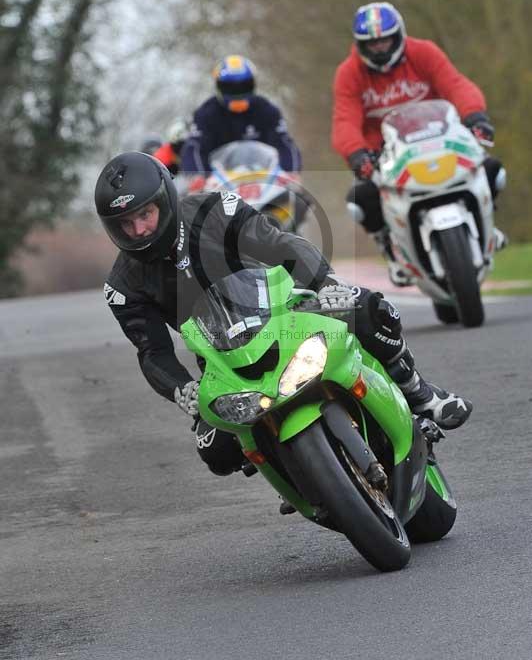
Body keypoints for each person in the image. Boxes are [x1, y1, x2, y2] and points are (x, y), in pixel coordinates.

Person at [94, 151, 472, 482]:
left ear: (164, 199)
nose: (138, 230)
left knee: (369, 307)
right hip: (222, 360)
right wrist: (180, 388)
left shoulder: (216, 210)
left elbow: (279, 245)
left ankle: (417, 392)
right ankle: (292, 467)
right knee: (216, 452)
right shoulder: (122, 287)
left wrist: (324, 283)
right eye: (125, 224)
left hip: (284, 312)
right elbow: (152, 352)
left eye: (144, 214)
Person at [332, 1, 507, 286]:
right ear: (360, 45)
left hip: (441, 140)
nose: (380, 48)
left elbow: (456, 84)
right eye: (372, 44)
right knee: (361, 200)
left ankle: (488, 226)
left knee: (493, 171)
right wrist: (356, 153)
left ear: (399, 35)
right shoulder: (349, 73)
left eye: (385, 40)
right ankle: (390, 247)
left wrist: (474, 115)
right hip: (388, 155)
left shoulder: (424, 52)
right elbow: (344, 121)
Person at [180, 54, 302, 192]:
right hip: (220, 183)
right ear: (219, 87)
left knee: (299, 199)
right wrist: (198, 176)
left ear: (253, 85)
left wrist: (291, 171)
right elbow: (194, 147)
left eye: (244, 86)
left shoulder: (267, 109)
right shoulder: (205, 114)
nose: (237, 93)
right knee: (193, 203)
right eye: (230, 88)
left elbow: (284, 142)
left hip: (263, 180)